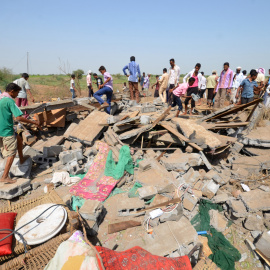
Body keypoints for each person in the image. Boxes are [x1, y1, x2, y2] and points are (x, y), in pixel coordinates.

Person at [0, 83, 40, 183]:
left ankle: (21, 159)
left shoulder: (1, 98)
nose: (17, 95)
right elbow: (18, 117)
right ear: (12, 91)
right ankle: (5, 176)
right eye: (17, 93)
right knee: (11, 153)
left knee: (19, 140)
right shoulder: (9, 101)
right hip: (6, 130)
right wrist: (33, 122)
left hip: (2, 127)